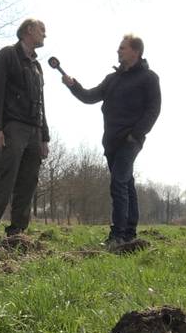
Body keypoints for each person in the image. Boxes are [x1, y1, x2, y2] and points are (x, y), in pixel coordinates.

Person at [62, 34, 161, 246]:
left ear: (136, 51)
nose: (118, 51)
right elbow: (89, 96)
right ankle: (130, 233)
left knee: (118, 183)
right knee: (127, 184)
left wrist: (136, 134)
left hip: (131, 141)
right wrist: (73, 85)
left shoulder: (149, 78)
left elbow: (154, 110)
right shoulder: (112, 79)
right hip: (111, 142)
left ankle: (117, 236)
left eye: (122, 48)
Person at [0, 18, 50, 242]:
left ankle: (17, 233)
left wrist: (45, 137)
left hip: (34, 132)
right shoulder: (7, 55)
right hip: (13, 127)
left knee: (28, 182)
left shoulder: (37, 66)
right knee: (6, 179)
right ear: (29, 30)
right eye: (42, 30)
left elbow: (41, 102)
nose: (45, 35)